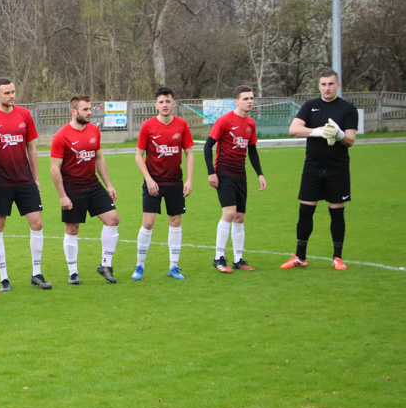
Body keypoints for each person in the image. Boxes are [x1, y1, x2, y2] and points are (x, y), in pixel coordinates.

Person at [281, 69, 358, 271]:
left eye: (330, 84)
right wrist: (318, 131)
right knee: (305, 211)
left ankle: (338, 257)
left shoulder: (348, 109)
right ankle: (300, 256)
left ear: (338, 85)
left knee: (336, 213)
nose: (327, 88)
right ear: (318, 86)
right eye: (323, 84)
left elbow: (350, 140)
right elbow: (293, 129)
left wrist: (339, 134)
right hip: (313, 168)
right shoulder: (310, 106)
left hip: (337, 169)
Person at [0, 78, 51, 292]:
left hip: (25, 180)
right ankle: (4, 278)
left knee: (37, 223)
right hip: (0, 183)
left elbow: (31, 147)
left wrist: (36, 178)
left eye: (13, 92)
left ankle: (36, 273)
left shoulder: (24, 115)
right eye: (7, 92)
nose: (12, 96)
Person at [49, 96, 120, 285]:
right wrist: (63, 196)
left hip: (93, 185)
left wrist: (109, 184)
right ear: (74, 112)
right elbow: (54, 168)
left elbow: (99, 158)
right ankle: (73, 272)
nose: (89, 112)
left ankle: (105, 264)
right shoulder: (61, 136)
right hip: (72, 188)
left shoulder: (94, 130)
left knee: (113, 219)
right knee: (72, 229)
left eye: (90, 109)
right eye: (85, 109)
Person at [131, 87, 194, 281]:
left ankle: (174, 267)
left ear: (174, 104)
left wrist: (190, 180)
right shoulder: (148, 126)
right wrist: (149, 179)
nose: (164, 105)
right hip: (154, 183)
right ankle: (139, 266)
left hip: (175, 181)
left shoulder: (182, 125)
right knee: (148, 223)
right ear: (156, 105)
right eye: (161, 102)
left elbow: (189, 153)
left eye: (168, 101)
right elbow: (138, 156)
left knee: (175, 222)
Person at [203, 85, 267, 273]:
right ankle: (218, 258)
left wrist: (260, 174)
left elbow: (252, 151)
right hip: (223, 172)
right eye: (246, 98)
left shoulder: (251, 124)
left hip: (241, 174)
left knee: (239, 216)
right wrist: (211, 172)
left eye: (252, 98)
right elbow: (208, 147)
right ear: (236, 101)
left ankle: (239, 259)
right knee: (229, 213)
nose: (250, 101)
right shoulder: (224, 121)